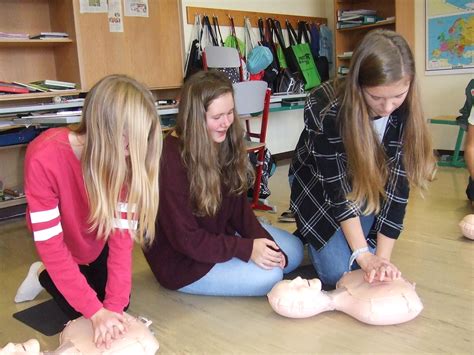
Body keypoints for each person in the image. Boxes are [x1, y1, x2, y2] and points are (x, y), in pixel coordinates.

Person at [20, 74, 162, 349]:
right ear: (109, 131)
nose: (132, 154)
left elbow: (121, 246)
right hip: (60, 243)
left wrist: (113, 311)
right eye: (129, 143)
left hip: (95, 238)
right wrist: (96, 314)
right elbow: (52, 246)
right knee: (82, 310)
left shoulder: (125, 166)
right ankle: (40, 273)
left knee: (118, 302)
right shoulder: (44, 157)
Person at [289, 29, 437, 289]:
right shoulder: (324, 108)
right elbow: (337, 191)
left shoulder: (405, 110)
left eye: (398, 96)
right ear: (358, 85)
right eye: (377, 98)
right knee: (337, 275)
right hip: (317, 187)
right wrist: (361, 253)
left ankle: (332, 241)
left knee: (363, 267)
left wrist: (380, 260)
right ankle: (310, 237)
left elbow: (397, 191)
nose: (388, 107)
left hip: (367, 183)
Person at [143, 70, 303, 296]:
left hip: (216, 237)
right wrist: (246, 249)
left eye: (230, 113)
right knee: (271, 275)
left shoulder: (224, 140)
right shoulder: (169, 161)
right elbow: (187, 240)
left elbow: (240, 211)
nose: (226, 123)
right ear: (195, 118)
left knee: (292, 253)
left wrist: (265, 245)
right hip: (183, 261)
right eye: (217, 117)